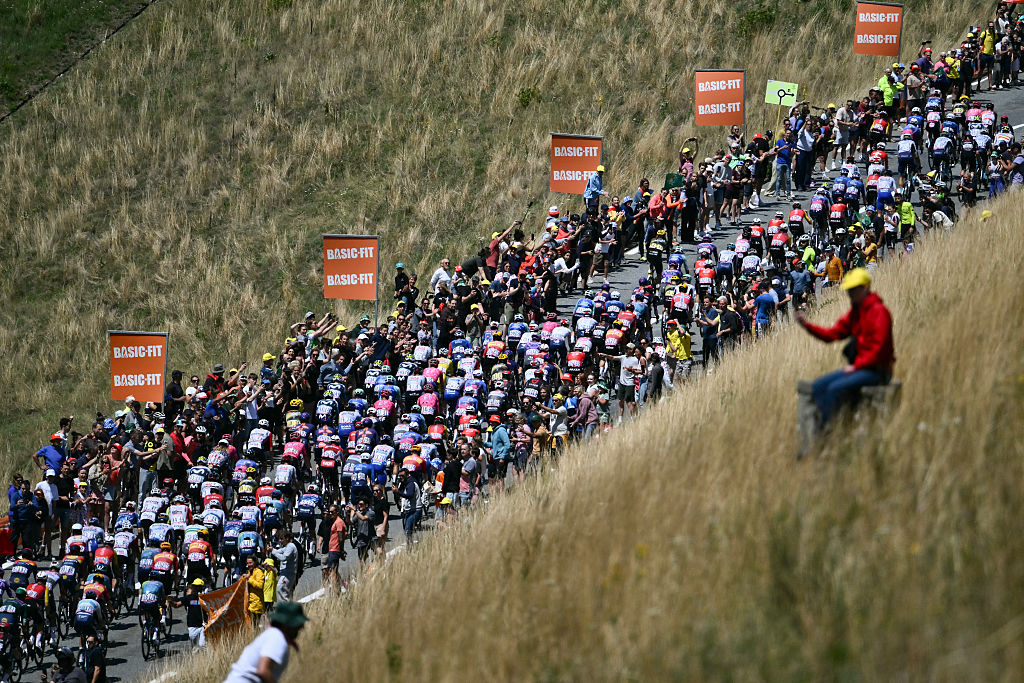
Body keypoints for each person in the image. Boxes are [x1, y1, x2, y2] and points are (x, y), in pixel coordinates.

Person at [795, 268, 895, 425]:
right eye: (849, 290)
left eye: (854, 290)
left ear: (866, 288)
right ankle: (823, 430)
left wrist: (856, 367)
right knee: (818, 387)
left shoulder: (879, 312)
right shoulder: (856, 312)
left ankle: (828, 432)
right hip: (861, 368)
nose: (850, 294)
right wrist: (807, 326)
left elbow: (879, 349)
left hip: (877, 370)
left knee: (833, 389)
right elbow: (832, 335)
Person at [224, 602, 308, 683]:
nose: (301, 628)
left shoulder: (273, 635)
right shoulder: (277, 638)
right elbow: (263, 670)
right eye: (297, 624)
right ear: (285, 625)